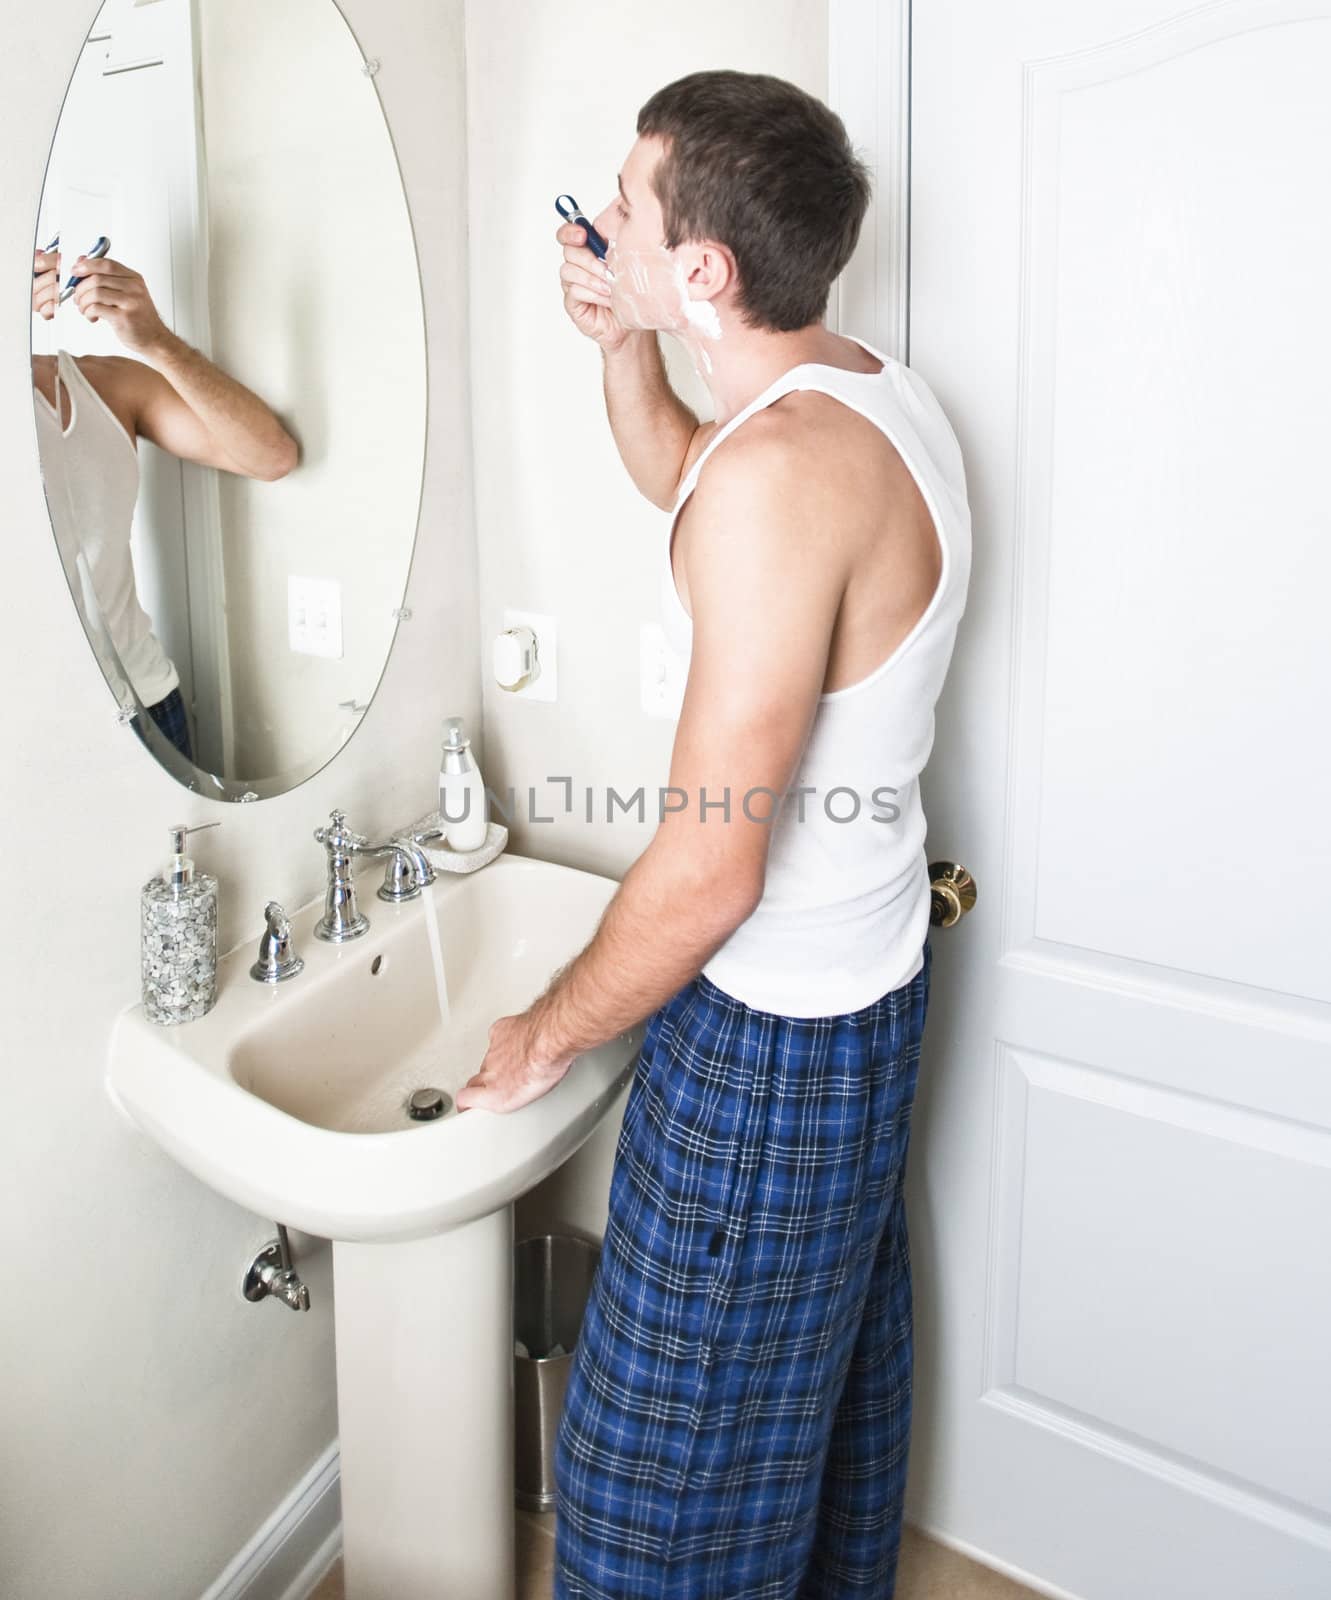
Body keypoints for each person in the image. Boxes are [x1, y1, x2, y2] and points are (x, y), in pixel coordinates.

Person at [455, 70, 973, 1597]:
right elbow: (683, 472)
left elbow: (703, 869)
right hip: (866, 990)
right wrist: (620, 348)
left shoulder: (779, 478)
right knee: (808, 1417)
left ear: (706, 270)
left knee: (646, 1502)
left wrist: (542, 1032)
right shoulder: (859, 392)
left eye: (626, 208)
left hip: (767, 1045)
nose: (598, 222)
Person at [31, 243, 298, 761]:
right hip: (33, 726)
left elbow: (271, 456)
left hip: (150, 702)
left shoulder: (108, 384)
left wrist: (155, 342)